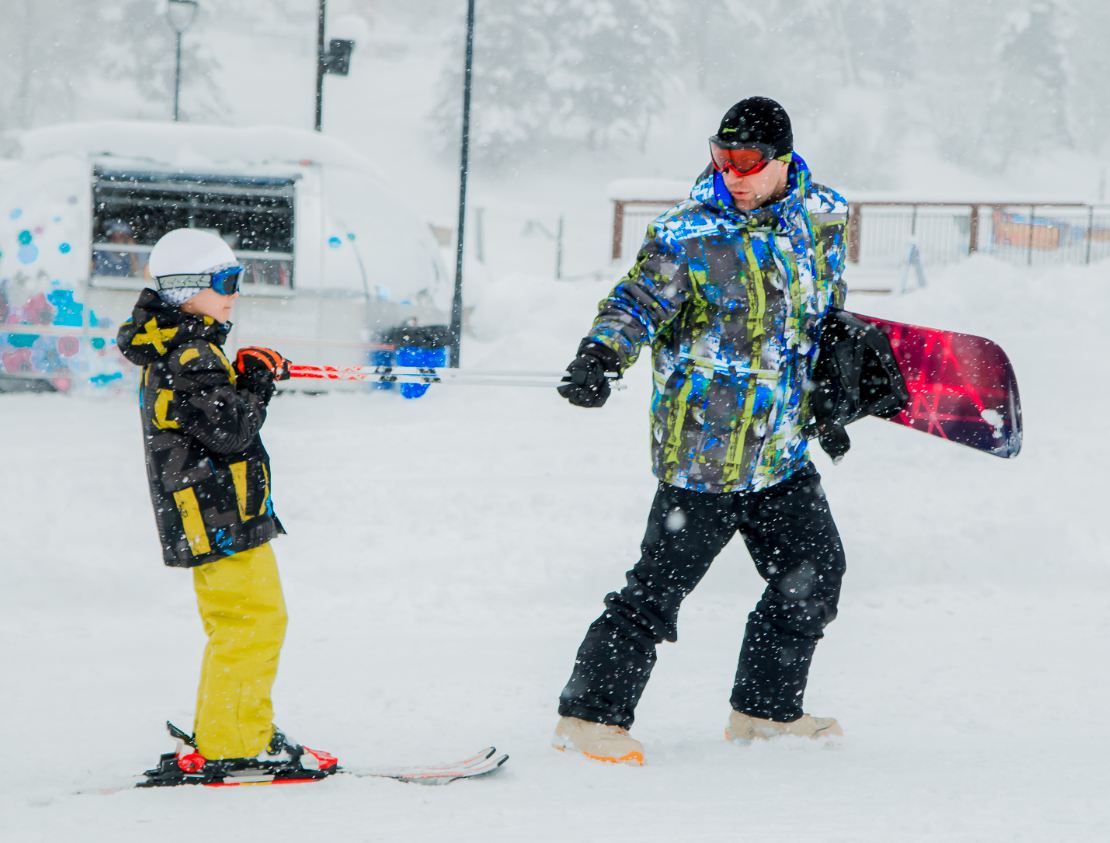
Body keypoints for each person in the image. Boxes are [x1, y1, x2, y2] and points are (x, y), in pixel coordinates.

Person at [553, 97, 849, 766]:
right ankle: (588, 716)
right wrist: (599, 357)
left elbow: (823, 308)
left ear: (782, 161)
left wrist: (834, 387)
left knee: (816, 571)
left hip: (780, 447)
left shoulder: (822, 217)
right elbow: (635, 303)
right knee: (655, 593)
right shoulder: (687, 234)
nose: (732, 174)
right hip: (705, 454)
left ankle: (765, 711)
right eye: (721, 159)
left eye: (746, 162)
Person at [116, 228, 337, 785]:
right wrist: (258, 384)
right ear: (189, 289)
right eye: (225, 281)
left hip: (210, 509)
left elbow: (208, 417)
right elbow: (232, 431)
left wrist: (243, 377)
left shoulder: (181, 344)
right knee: (254, 623)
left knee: (238, 622)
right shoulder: (190, 351)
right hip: (217, 512)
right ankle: (237, 744)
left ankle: (229, 728)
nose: (235, 292)